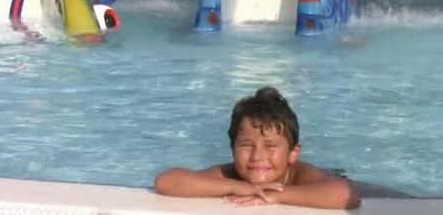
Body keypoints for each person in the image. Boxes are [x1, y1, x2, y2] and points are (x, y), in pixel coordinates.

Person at [155, 87, 362, 209]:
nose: (257, 156)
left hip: (327, 177)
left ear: (293, 153)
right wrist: (235, 187)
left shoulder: (300, 176)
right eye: (246, 145)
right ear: (232, 147)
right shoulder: (230, 175)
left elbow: (348, 194)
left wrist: (279, 195)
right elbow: (166, 181)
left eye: (270, 146)